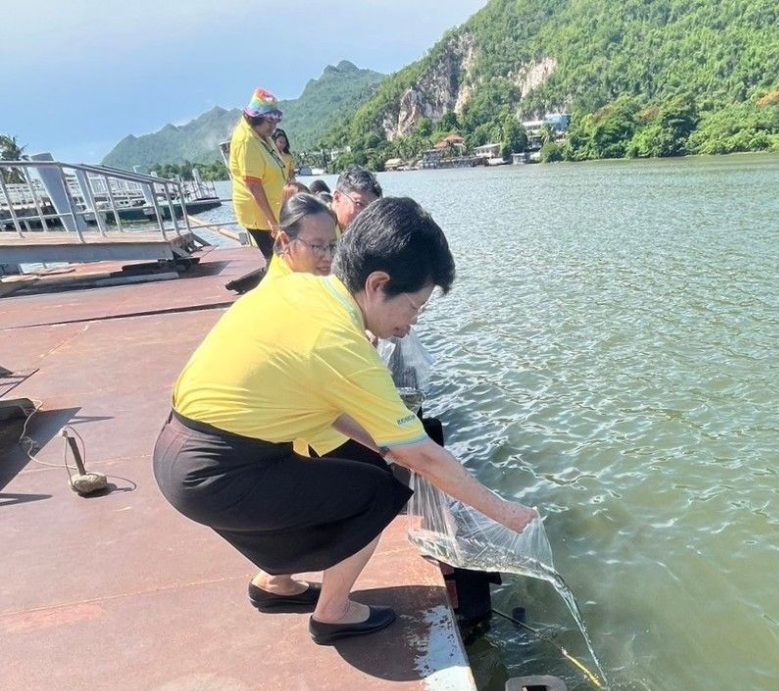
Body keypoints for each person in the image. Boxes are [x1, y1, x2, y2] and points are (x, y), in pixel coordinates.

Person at [152, 197, 536, 645]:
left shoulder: (300, 290)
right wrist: (509, 515)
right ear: (378, 284)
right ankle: (333, 613)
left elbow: (328, 410)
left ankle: (275, 583)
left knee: (357, 470)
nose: (412, 324)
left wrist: (386, 448)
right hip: (217, 474)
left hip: (179, 452)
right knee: (376, 493)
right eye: (414, 307)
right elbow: (425, 458)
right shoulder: (341, 343)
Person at [228, 88, 286, 263]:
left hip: (274, 207)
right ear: (256, 118)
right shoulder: (247, 141)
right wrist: (272, 222)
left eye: (275, 122)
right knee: (277, 259)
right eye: (269, 122)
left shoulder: (261, 134)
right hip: (260, 214)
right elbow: (253, 184)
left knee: (282, 257)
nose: (273, 127)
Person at [332, 166, 382, 237]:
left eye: (372, 209)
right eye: (359, 204)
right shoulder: (318, 226)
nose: (365, 216)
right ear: (337, 198)